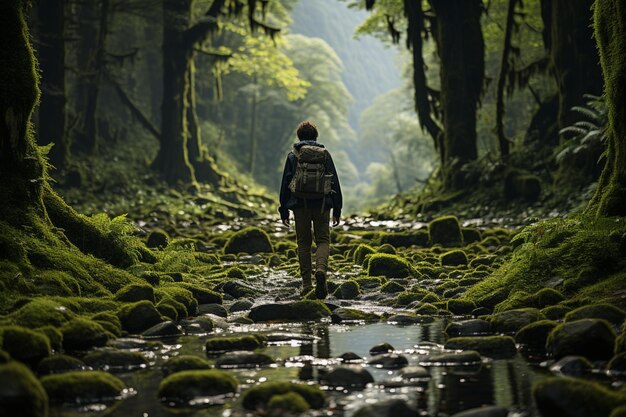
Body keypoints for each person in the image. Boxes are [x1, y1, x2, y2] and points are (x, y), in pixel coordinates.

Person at [279, 121, 342, 299]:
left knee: (303, 244)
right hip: (322, 204)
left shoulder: (293, 156)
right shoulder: (324, 154)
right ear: (316, 137)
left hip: (300, 205)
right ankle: (321, 270)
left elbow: (285, 183)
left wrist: (283, 210)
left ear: (299, 137)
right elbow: (334, 181)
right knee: (323, 240)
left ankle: (307, 284)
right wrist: (337, 208)